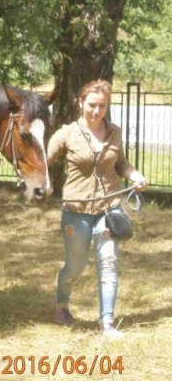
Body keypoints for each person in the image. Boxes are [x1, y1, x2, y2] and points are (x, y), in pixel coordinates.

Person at [47, 79, 148, 337]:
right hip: (76, 210)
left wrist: (135, 177)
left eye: (102, 106)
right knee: (75, 267)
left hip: (109, 209)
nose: (96, 110)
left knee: (108, 262)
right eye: (92, 104)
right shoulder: (67, 133)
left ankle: (106, 323)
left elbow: (121, 163)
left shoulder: (114, 131)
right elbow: (42, 159)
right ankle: (61, 302)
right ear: (80, 103)